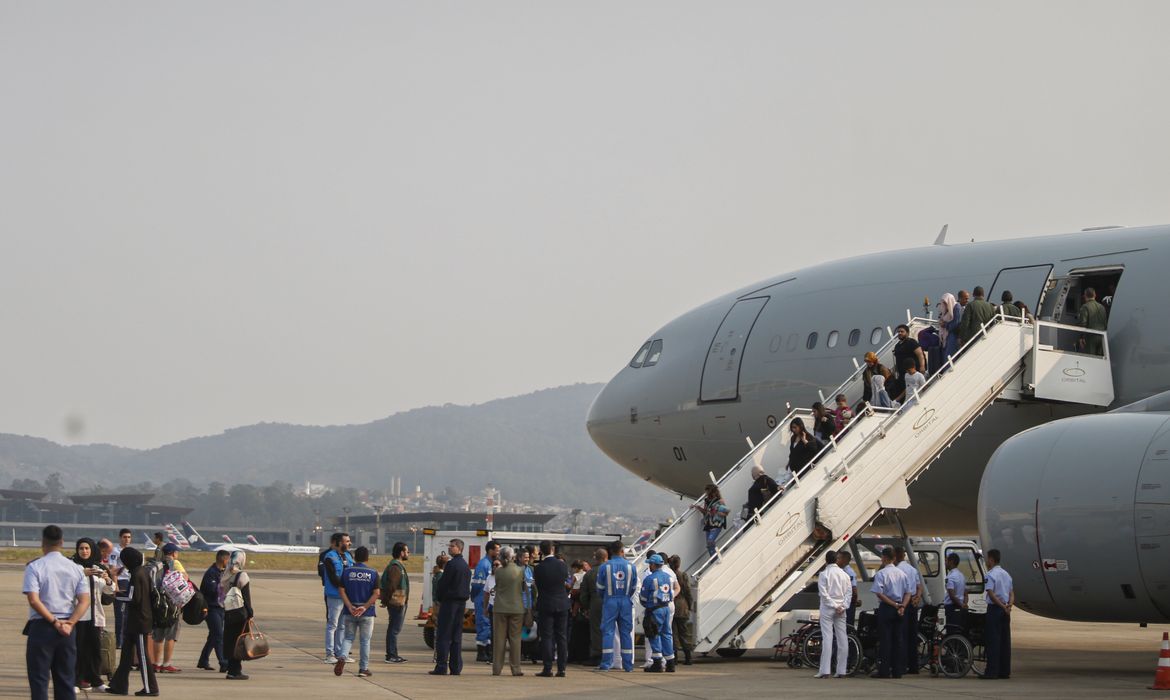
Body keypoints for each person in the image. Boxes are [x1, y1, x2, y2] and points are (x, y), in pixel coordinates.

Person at [24, 525, 90, 700]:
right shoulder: (75, 568)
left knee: (39, 681)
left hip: (42, 626)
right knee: (66, 681)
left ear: (42, 542)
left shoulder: (35, 567)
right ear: (61, 542)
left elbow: (33, 599)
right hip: (67, 629)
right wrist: (70, 623)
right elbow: (84, 600)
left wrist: (54, 622)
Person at [108, 545, 159, 696]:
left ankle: (151, 688)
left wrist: (115, 595)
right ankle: (119, 685)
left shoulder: (137, 575)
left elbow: (132, 598)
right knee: (126, 655)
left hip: (140, 622)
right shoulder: (143, 572)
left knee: (142, 656)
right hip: (136, 621)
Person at [73, 537, 114, 692]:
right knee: (78, 648)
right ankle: (76, 681)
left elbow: (109, 592)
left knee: (95, 648)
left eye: (87, 548)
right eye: (81, 548)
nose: (84, 551)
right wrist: (82, 574)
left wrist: (108, 580)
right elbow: (65, 586)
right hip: (79, 615)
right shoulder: (72, 567)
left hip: (95, 615)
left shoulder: (99, 567)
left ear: (92, 550)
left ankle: (96, 680)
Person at [335, 546, 379, 678]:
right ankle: (363, 669)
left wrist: (349, 606)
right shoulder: (373, 573)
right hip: (367, 612)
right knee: (365, 641)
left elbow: (341, 590)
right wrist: (364, 607)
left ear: (354, 557)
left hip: (350, 611)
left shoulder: (347, 571)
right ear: (367, 558)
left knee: (348, 638)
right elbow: (376, 593)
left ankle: (342, 656)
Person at [430, 538, 471, 676]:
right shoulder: (465, 565)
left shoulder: (451, 565)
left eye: (452, 546)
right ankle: (456, 667)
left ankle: (441, 666)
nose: (449, 548)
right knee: (456, 636)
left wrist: (439, 598)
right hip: (461, 603)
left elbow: (443, 584)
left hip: (450, 603)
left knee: (444, 635)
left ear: (459, 548)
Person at [596, 541, 637, 672]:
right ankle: (628, 665)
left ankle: (606, 664)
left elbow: (600, 588)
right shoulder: (631, 567)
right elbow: (633, 588)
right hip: (625, 601)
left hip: (610, 601)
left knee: (608, 632)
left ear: (610, 552)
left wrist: (607, 598)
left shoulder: (604, 567)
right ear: (622, 551)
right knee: (626, 633)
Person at [870, 547, 910, 679]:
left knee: (885, 640)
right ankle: (897, 671)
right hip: (900, 608)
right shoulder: (902, 574)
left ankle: (884, 670)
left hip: (887, 608)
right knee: (898, 640)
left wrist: (893, 604)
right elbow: (908, 592)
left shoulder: (881, 574)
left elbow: (879, 593)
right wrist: (903, 605)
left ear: (884, 558)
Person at [534, 540, 570, 677]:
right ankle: (562, 669)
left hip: (546, 603)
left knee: (547, 637)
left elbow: (539, 585)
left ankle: (547, 668)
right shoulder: (562, 566)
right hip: (561, 603)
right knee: (562, 637)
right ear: (553, 549)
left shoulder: (539, 568)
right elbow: (565, 581)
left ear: (541, 551)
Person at [815, 551, 850, 678]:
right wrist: (843, 606)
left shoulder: (824, 574)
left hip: (828, 609)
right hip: (841, 608)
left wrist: (834, 605)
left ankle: (825, 670)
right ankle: (841, 670)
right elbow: (849, 593)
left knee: (827, 638)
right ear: (837, 560)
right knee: (842, 638)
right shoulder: (845, 575)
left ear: (826, 560)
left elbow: (824, 594)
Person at [490, 546, 525, 676]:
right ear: (512, 556)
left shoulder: (498, 571)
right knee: (515, 639)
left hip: (500, 608)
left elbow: (497, 586)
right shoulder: (519, 570)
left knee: (499, 639)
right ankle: (516, 668)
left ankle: (497, 668)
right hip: (516, 608)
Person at [220, 550, 254, 681]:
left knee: (230, 641)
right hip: (239, 613)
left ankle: (231, 669)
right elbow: (246, 597)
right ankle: (235, 671)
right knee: (239, 642)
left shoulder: (226, 574)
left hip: (228, 611)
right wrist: (250, 613)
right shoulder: (242, 575)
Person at [151, 544, 185, 674]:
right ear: (174, 553)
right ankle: (166, 664)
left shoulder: (156, 565)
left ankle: (156, 664)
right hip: (172, 604)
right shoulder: (175, 564)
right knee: (171, 635)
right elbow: (184, 579)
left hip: (158, 603)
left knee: (158, 635)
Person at [639, 554, 675, 673]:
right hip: (666, 608)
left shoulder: (650, 579)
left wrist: (647, 605)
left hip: (654, 610)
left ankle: (657, 663)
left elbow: (643, 597)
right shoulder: (669, 577)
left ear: (653, 565)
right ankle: (670, 663)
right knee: (667, 634)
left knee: (653, 633)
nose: (649, 566)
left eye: (650, 564)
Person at [322, 532, 354, 664]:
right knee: (332, 625)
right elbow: (333, 578)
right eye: (346, 541)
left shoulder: (348, 556)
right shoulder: (329, 557)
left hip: (346, 597)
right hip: (335, 596)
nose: (349, 543)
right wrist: (345, 587)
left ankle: (340, 653)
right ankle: (329, 654)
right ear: (338, 543)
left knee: (342, 626)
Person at [983, 548, 1014, 680]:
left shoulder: (990, 575)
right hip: (1005, 611)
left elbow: (991, 593)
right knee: (1005, 641)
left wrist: (1001, 606)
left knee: (993, 641)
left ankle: (992, 671)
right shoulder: (1006, 574)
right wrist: (1009, 606)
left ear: (991, 559)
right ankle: (1004, 671)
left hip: (995, 609)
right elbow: (1012, 593)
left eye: (987, 559)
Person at [197, 550, 230, 673]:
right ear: (223, 559)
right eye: (228, 560)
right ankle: (223, 662)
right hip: (211, 608)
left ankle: (203, 660)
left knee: (213, 636)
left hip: (220, 608)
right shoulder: (211, 573)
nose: (229, 562)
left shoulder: (223, 572)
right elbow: (212, 591)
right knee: (218, 636)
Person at [894, 546, 925, 675]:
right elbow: (920, 587)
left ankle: (902, 665)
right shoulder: (912, 569)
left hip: (903, 603)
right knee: (912, 635)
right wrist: (917, 597)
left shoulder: (897, 570)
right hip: (913, 604)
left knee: (901, 635)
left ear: (895, 556)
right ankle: (914, 666)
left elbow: (897, 589)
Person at [379, 541, 409, 664]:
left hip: (398, 601)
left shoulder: (397, 566)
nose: (408, 553)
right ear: (401, 553)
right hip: (397, 602)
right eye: (407, 551)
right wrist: (386, 600)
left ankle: (393, 654)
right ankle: (391, 655)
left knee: (394, 629)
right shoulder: (395, 567)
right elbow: (391, 586)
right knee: (394, 629)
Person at [471, 540, 499, 663]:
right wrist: (476, 598)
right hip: (481, 598)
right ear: (490, 550)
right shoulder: (483, 565)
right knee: (483, 624)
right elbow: (477, 585)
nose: (498, 552)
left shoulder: (492, 563)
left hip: (488, 599)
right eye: (497, 549)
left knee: (488, 626)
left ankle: (487, 650)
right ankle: (481, 652)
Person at [578, 548, 606, 666]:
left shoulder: (590, 573)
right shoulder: (611, 570)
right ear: (606, 557)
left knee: (596, 630)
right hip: (611, 602)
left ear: (596, 558)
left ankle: (597, 655)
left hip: (596, 603)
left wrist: (587, 607)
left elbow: (583, 594)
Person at [667, 555, 694, 665]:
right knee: (684, 633)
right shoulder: (683, 575)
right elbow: (688, 591)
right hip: (682, 607)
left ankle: (674, 658)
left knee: (673, 633)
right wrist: (689, 605)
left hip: (672, 605)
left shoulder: (668, 575)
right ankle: (688, 657)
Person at [692, 484, 729, 556]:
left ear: (711, 491)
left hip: (717, 524)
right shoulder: (706, 501)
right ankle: (713, 559)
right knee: (709, 544)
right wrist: (697, 507)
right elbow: (705, 512)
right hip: (709, 524)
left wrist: (715, 512)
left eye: (706, 491)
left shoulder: (720, 501)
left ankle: (716, 557)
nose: (705, 493)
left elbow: (726, 513)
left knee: (710, 541)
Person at [891, 324, 926, 399]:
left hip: (912, 372)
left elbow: (920, 354)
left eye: (902, 331)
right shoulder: (897, 346)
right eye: (898, 332)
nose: (899, 333)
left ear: (907, 333)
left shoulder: (912, 342)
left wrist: (922, 366)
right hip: (903, 374)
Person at [112, 528, 133, 649]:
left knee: (128, 614)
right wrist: (115, 586)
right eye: (125, 537)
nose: (127, 539)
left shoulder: (131, 551)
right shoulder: (115, 551)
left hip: (130, 582)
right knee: (120, 614)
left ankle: (126, 641)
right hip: (121, 582)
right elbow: (113, 569)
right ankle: (118, 641)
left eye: (129, 537)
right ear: (120, 538)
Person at [786, 418, 821, 483]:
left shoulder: (809, 437)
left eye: (795, 427)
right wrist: (789, 463)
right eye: (792, 428)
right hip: (793, 469)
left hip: (802, 469)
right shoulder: (793, 438)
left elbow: (813, 449)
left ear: (800, 426)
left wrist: (805, 441)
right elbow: (792, 452)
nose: (793, 430)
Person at [1077, 287, 1108, 355]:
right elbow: (1105, 323)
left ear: (1085, 296)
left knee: (1091, 358)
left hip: (1091, 337)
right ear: (1095, 295)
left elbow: (1083, 323)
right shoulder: (1102, 307)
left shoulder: (1085, 307)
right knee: (1100, 358)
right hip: (1102, 337)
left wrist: (1081, 337)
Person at [836, 550, 859, 629]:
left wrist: (854, 601)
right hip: (843, 603)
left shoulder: (848, 572)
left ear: (844, 560)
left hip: (848, 604)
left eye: (839, 558)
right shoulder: (842, 571)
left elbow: (854, 589)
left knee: (847, 626)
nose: (837, 560)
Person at [943, 552, 967, 631]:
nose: (945, 563)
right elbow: (966, 593)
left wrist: (961, 604)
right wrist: (964, 604)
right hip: (960, 607)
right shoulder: (962, 575)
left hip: (951, 607)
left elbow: (952, 596)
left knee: (950, 630)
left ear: (951, 562)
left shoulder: (950, 577)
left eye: (946, 561)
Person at [937, 292, 963, 362]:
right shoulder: (946, 310)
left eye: (946, 302)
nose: (945, 304)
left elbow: (955, 324)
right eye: (944, 303)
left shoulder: (956, 307)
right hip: (946, 337)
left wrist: (945, 325)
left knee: (950, 357)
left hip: (953, 335)